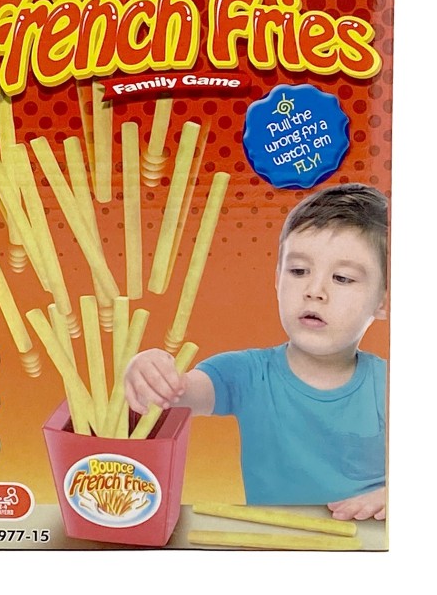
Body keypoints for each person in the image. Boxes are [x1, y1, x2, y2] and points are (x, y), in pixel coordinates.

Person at [124, 182, 388, 520]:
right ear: (277, 279)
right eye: (298, 271)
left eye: (342, 278)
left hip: (365, 541)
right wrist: (149, 371)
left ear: (383, 301)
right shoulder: (247, 373)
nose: (314, 290)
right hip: (269, 541)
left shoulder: (388, 386)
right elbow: (177, 394)